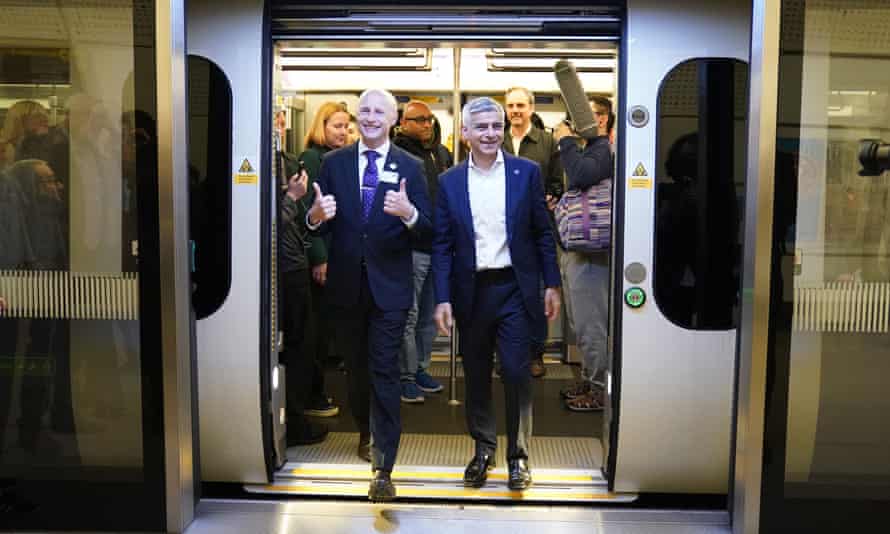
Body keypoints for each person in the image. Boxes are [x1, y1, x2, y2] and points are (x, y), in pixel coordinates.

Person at [306, 88, 432, 501]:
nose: (372, 117)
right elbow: (319, 223)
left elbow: (429, 231)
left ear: (393, 119)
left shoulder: (411, 167)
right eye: (366, 111)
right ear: (358, 117)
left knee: (384, 371)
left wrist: (410, 215)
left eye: (381, 111)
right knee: (356, 370)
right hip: (346, 287)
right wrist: (313, 216)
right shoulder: (333, 163)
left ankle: (384, 465)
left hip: (389, 289)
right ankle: (365, 429)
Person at [433, 97, 561, 491]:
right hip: (470, 291)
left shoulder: (528, 172)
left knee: (518, 373)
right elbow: (441, 243)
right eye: (482, 127)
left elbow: (542, 232)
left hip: (514, 289)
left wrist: (552, 283)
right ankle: (483, 451)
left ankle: (518, 458)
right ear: (466, 133)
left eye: (496, 126)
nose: (491, 133)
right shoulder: (449, 181)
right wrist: (442, 297)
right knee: (475, 375)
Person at [289, 101, 353, 418]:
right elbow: (308, 211)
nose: (343, 132)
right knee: (314, 332)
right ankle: (311, 396)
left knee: (322, 330)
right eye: (337, 126)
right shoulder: (314, 159)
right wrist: (319, 258)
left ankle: (316, 392)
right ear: (321, 126)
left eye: (346, 126)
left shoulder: (333, 158)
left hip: (332, 252)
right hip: (319, 256)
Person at [552, 96, 614, 411]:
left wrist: (564, 141)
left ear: (604, 120)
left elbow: (580, 176)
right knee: (582, 323)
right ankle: (592, 380)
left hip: (593, 256)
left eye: (593, 115)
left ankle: (601, 390)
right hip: (578, 251)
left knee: (592, 326)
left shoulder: (605, 149)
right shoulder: (595, 151)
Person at [392, 100, 453, 403]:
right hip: (411, 246)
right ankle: (405, 374)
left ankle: (420, 367)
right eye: (419, 120)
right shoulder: (398, 156)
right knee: (409, 313)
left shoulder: (441, 154)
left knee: (430, 313)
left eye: (430, 119)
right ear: (403, 123)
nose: (427, 125)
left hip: (438, 246)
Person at [502, 87, 564, 378]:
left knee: (536, 296)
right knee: (501, 297)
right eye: (511, 105)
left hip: (535, 231)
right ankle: (505, 357)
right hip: (499, 231)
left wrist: (552, 196)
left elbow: (557, 182)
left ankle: (534, 354)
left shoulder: (548, 142)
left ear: (531, 108)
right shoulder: (496, 140)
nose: (515, 110)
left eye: (520, 105)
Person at [279, 155, 331, 445]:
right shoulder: (283, 195)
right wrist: (292, 197)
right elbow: (271, 225)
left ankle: (295, 417)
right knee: (299, 349)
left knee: (302, 347)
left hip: (291, 269)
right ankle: (294, 423)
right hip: (287, 273)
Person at [0, 101, 50, 170]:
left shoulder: (42, 144)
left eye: (44, 115)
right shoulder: (5, 148)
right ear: (19, 120)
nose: (45, 119)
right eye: (37, 116)